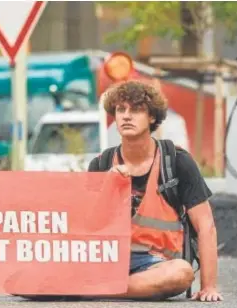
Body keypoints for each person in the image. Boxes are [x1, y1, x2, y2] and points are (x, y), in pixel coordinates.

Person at [87, 80, 222, 301]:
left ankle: (93, 289)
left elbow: (206, 225)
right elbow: (87, 226)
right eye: (121, 109)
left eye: (136, 109)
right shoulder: (101, 164)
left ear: (152, 117)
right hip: (107, 260)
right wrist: (107, 188)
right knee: (28, 274)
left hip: (156, 265)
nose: (126, 116)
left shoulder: (178, 162)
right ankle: (103, 286)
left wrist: (209, 286)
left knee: (181, 273)